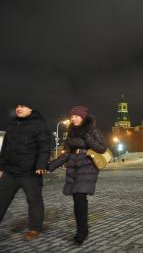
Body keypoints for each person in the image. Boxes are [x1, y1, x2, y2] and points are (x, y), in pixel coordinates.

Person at [48, 106, 107, 244]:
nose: (72, 118)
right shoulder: (71, 132)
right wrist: (50, 166)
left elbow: (102, 148)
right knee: (77, 200)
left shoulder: (92, 130)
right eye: (71, 116)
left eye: (76, 116)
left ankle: (81, 232)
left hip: (87, 166)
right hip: (73, 167)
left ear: (83, 117)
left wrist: (86, 135)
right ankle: (83, 229)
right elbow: (66, 153)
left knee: (80, 197)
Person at [0, 102, 51, 241]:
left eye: (22, 106)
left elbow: (44, 146)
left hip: (30, 172)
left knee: (34, 200)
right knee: (1, 199)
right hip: (10, 171)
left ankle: (35, 228)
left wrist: (41, 165)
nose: (18, 109)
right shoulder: (11, 124)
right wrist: (1, 167)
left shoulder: (39, 124)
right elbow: (5, 148)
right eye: (17, 106)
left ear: (31, 108)